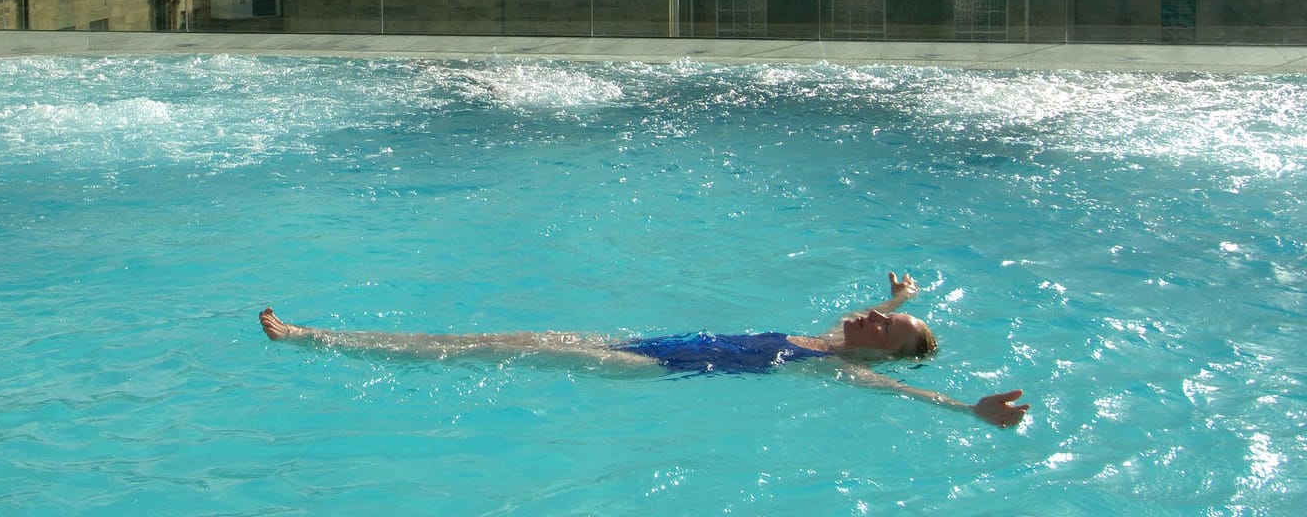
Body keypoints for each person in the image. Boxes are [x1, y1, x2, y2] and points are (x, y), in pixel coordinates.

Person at [259, 271, 1029, 428]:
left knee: (483, 350)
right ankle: (325, 337)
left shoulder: (841, 366)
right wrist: (904, 304)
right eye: (877, 315)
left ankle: (317, 340)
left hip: (652, 366)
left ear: (878, 354)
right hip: (654, 344)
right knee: (487, 341)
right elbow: (875, 321)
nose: (870, 317)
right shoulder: (833, 334)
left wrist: (968, 408)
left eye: (882, 328)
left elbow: (904, 390)